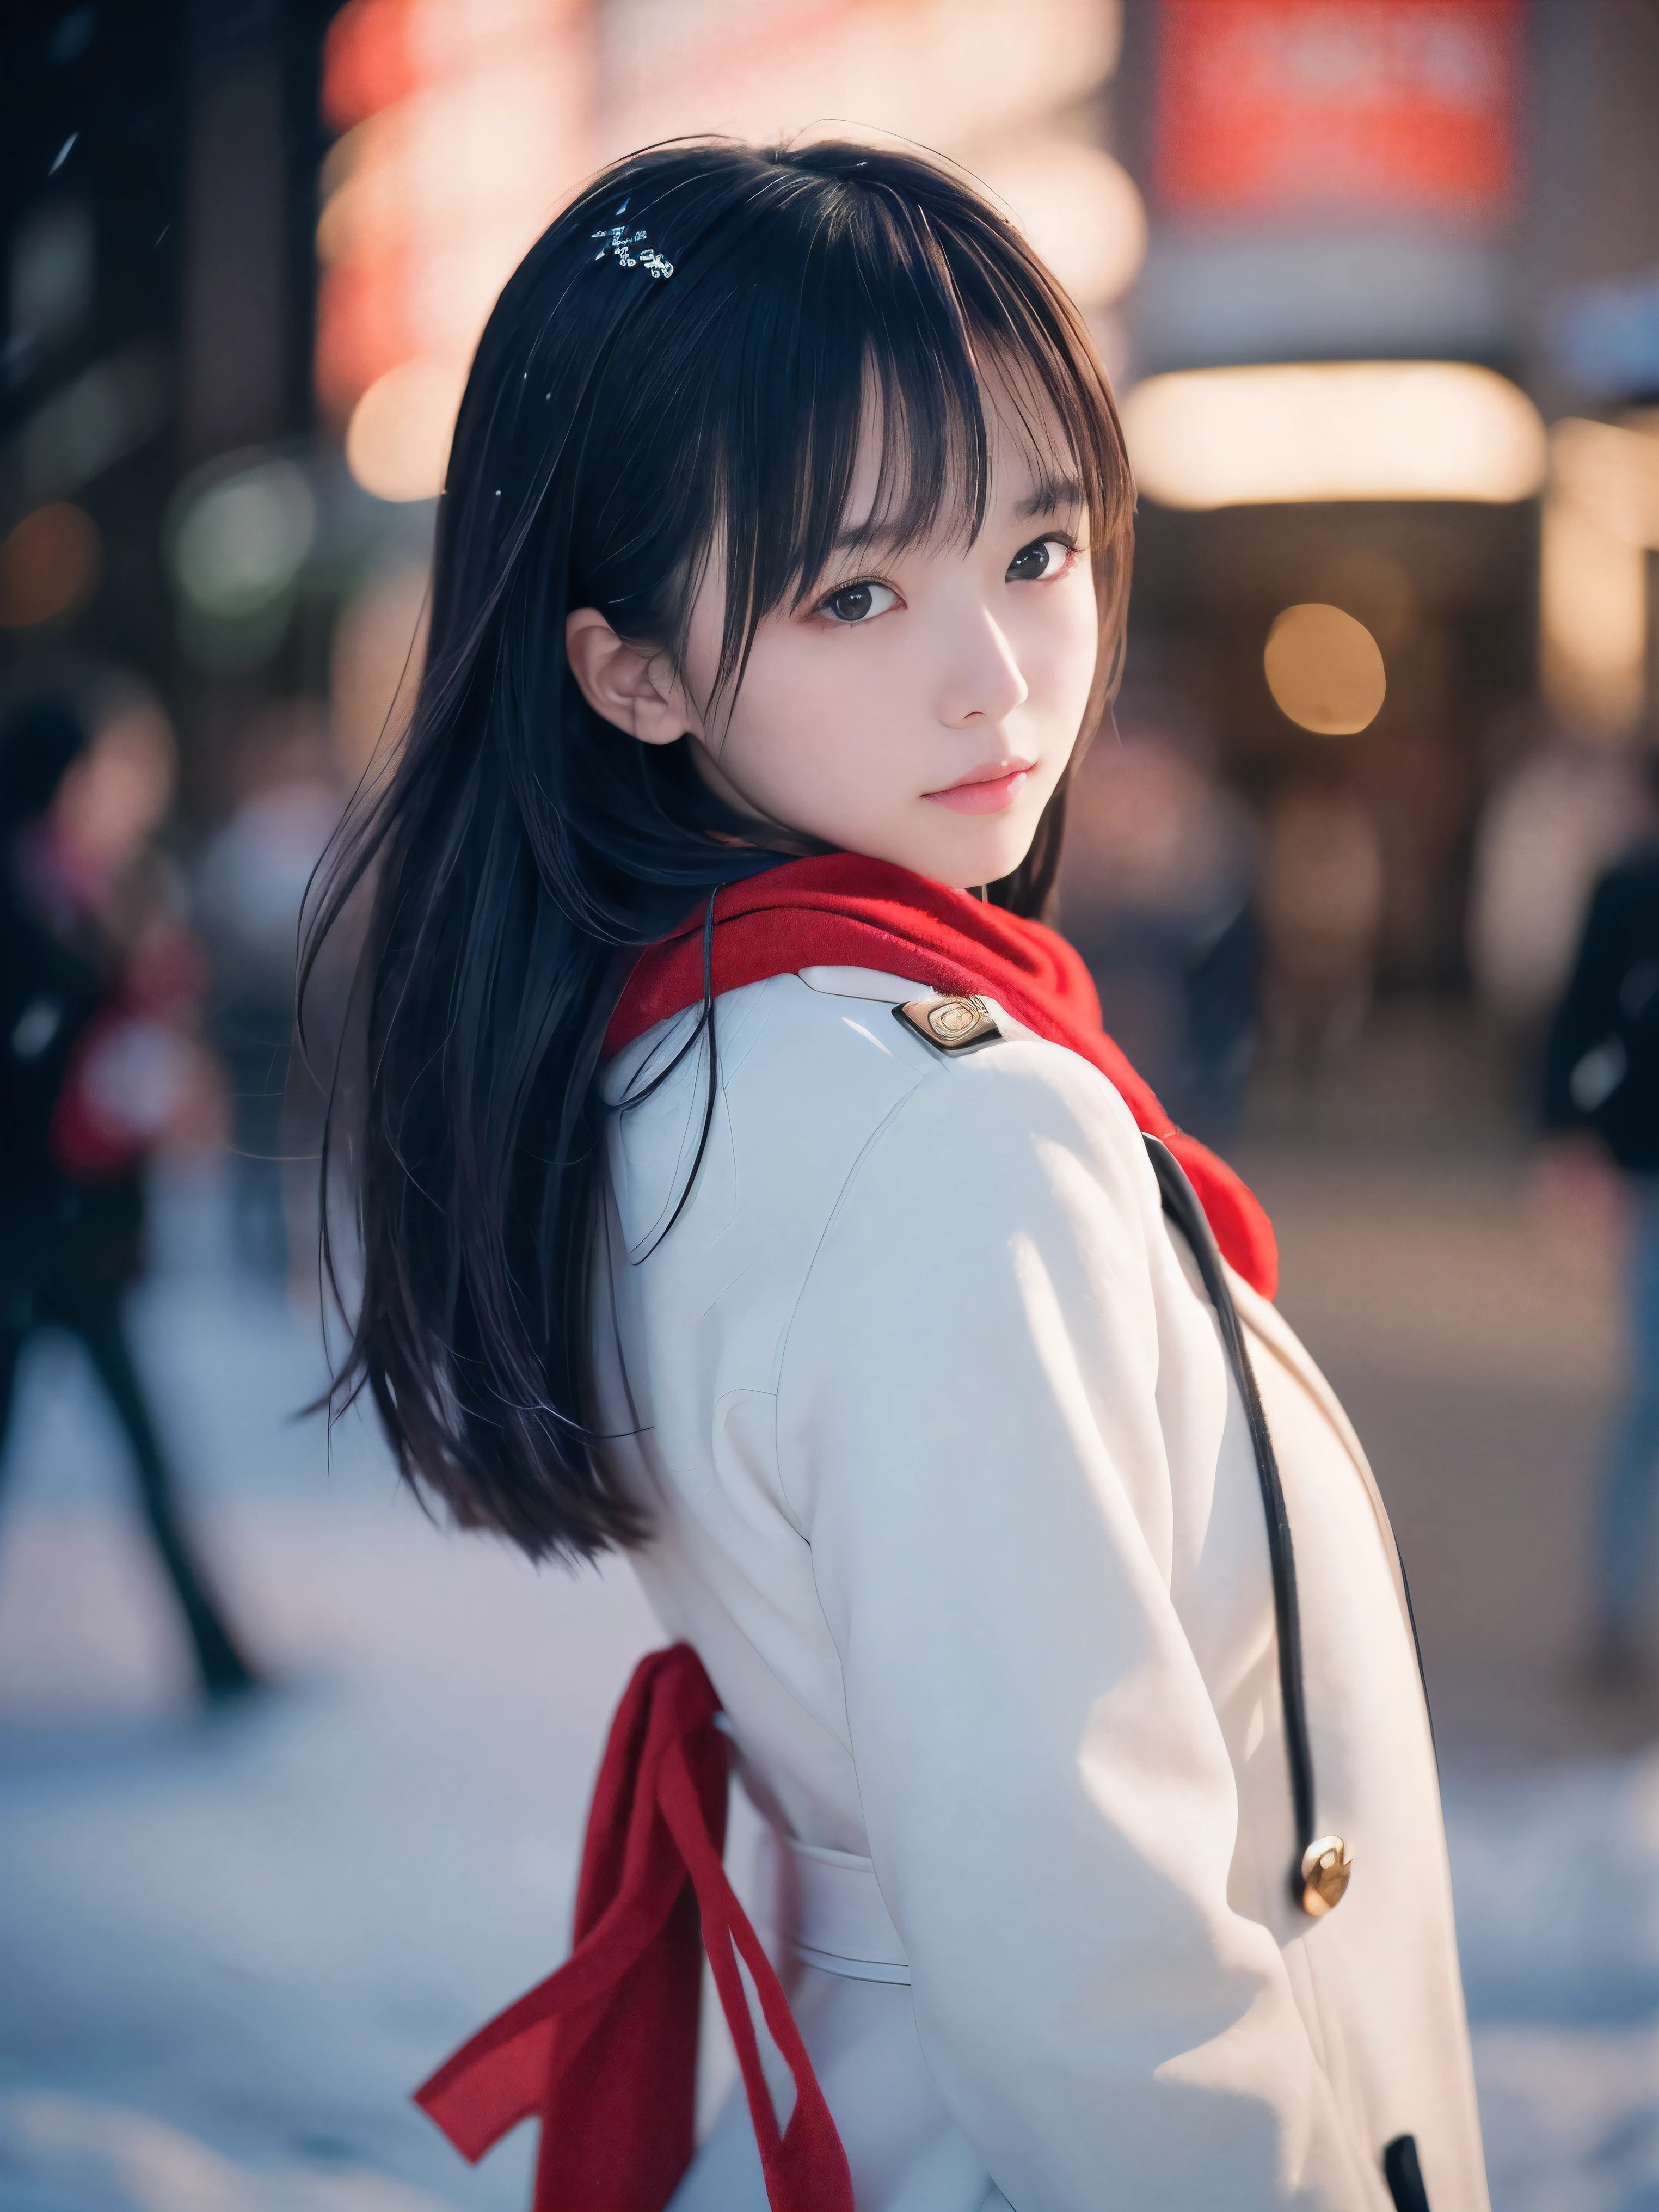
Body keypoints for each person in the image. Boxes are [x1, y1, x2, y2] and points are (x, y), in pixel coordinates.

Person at [305, 142, 1487, 2211]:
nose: (1000, 677)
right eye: (855, 591)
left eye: (1037, 549)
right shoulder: (942, 1136)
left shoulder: (675, 1053)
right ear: (630, 668)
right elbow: (1103, 2007)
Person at [0, 688, 259, 1702]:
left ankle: (217, 1653)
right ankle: (217, 1654)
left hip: (78, 1229)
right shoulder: (30, 893)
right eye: (87, 770)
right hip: (29, 1228)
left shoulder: (89, 884)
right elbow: (50, 1041)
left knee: (146, 1450)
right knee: (140, 1450)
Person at [1541, 776, 1659, 1684]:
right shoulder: (1628, 886)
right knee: (1650, 1396)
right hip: (1646, 1164)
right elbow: (1581, 1015)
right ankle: (1613, 1609)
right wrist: (1572, 1136)